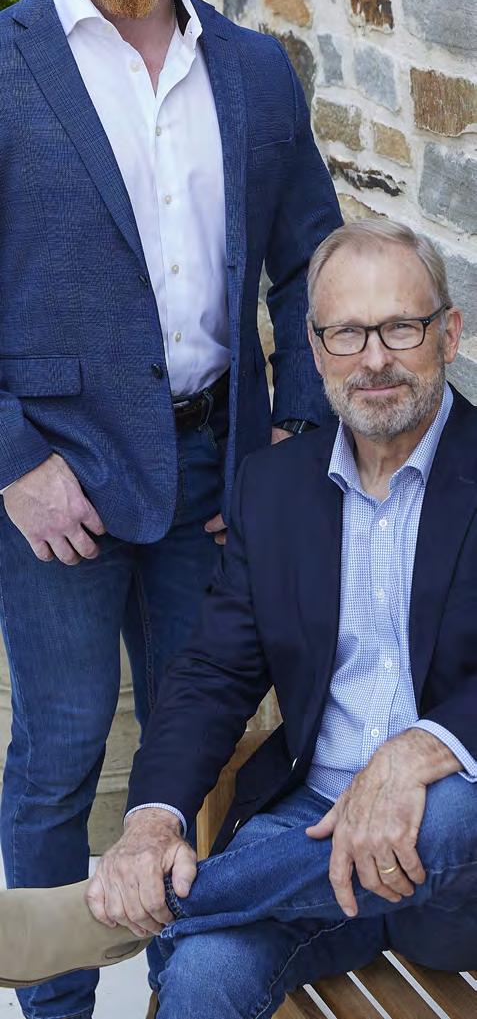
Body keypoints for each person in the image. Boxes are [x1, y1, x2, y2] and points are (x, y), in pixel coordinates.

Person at [0, 0, 341, 1019]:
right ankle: (53, 1009)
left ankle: (184, 987)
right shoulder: (6, 66)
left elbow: (310, 259)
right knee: (59, 755)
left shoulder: (250, 69)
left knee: (200, 744)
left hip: (219, 470)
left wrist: (294, 439)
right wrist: (12, 459)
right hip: (59, 482)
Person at [2, 218, 472, 1015]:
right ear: (314, 347)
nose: (373, 359)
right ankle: (179, 908)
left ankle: (135, 912)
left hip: (456, 874)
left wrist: (416, 749)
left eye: (400, 327)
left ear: (448, 333)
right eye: (346, 333)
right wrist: (151, 823)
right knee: (202, 976)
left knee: (452, 804)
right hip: (307, 842)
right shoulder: (274, 486)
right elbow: (213, 672)